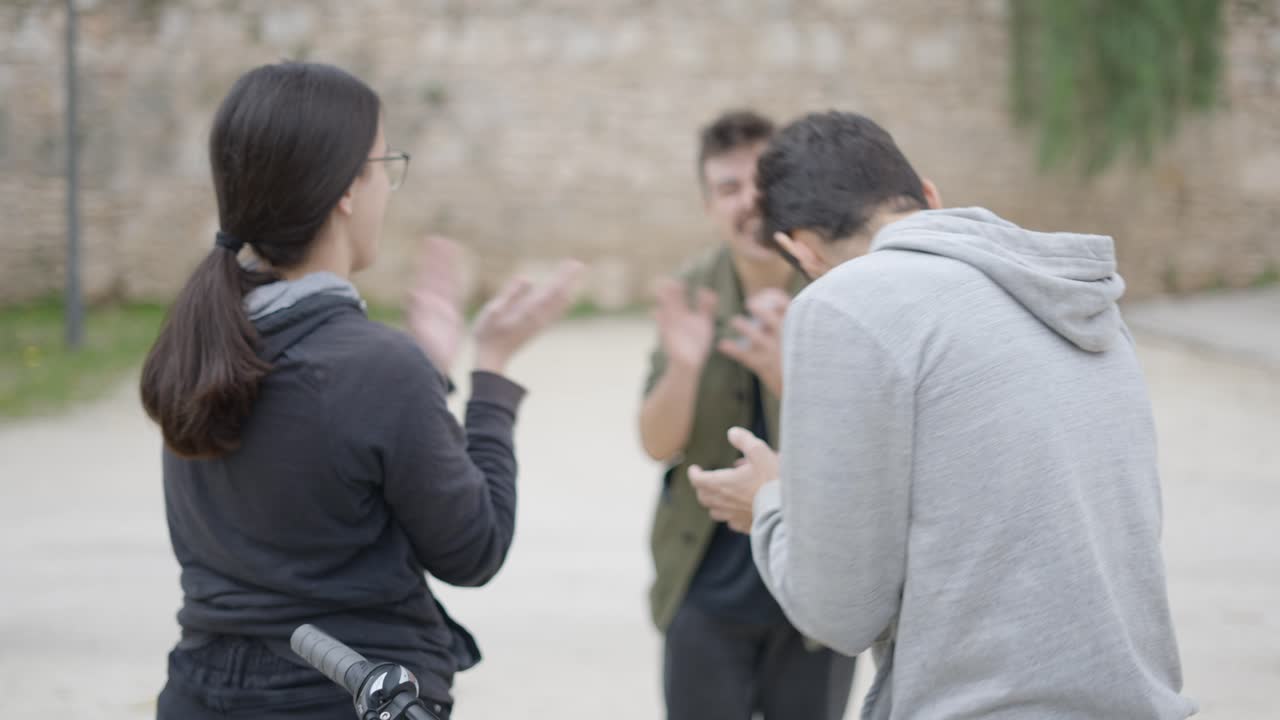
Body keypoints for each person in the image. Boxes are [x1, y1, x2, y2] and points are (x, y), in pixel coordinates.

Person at [689, 111, 1197, 718]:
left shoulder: (842, 302)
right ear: (929, 196)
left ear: (799, 248)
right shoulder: (1082, 300)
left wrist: (770, 503)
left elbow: (840, 614)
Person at [140, 61, 584, 720]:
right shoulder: (374, 368)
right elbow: (474, 549)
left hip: (199, 694)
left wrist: (424, 368)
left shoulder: (198, 343)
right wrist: (491, 371)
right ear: (348, 188)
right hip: (339, 695)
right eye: (384, 164)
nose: (386, 187)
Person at [638, 110, 856, 720]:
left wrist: (785, 376)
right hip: (705, 590)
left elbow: (866, 449)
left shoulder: (841, 288)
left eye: (761, 181)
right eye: (728, 188)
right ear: (708, 204)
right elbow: (656, 444)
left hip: (815, 593)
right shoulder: (690, 291)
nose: (749, 201)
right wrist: (683, 369)